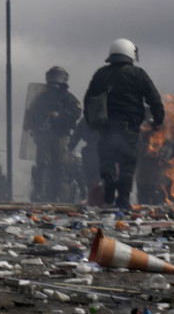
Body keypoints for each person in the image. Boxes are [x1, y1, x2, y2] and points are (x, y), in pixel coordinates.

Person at [84, 39, 164, 209]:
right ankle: (123, 200)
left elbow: (89, 99)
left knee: (107, 159)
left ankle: (109, 181)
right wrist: (158, 120)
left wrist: (90, 122)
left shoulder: (101, 74)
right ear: (130, 53)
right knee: (127, 164)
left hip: (106, 127)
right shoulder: (138, 74)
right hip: (129, 128)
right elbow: (154, 99)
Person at [22, 66, 81, 203]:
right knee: (42, 165)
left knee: (58, 166)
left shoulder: (67, 97)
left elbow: (76, 112)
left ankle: (55, 194)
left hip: (60, 135)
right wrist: (33, 126)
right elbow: (31, 114)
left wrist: (59, 115)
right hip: (44, 135)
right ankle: (40, 193)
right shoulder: (42, 97)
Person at [68, 118, 101, 204]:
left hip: (103, 149)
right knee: (90, 175)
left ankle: (99, 198)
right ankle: (92, 198)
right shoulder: (88, 117)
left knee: (99, 176)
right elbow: (78, 132)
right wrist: (70, 147)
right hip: (91, 149)